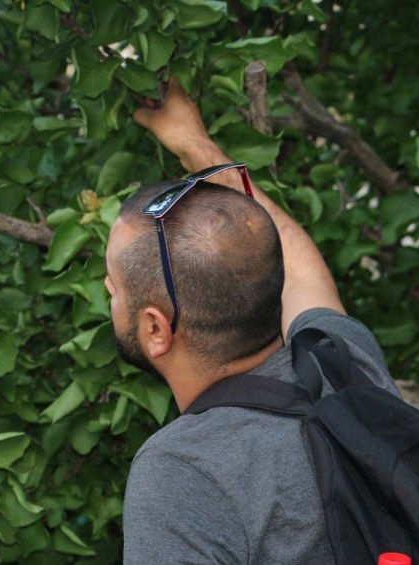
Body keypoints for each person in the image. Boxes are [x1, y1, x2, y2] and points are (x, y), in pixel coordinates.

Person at [104, 78, 400, 564]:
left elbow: (297, 273)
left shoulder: (183, 471)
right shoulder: (340, 363)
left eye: (114, 287)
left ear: (156, 329)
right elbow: (301, 272)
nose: (108, 291)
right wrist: (197, 146)